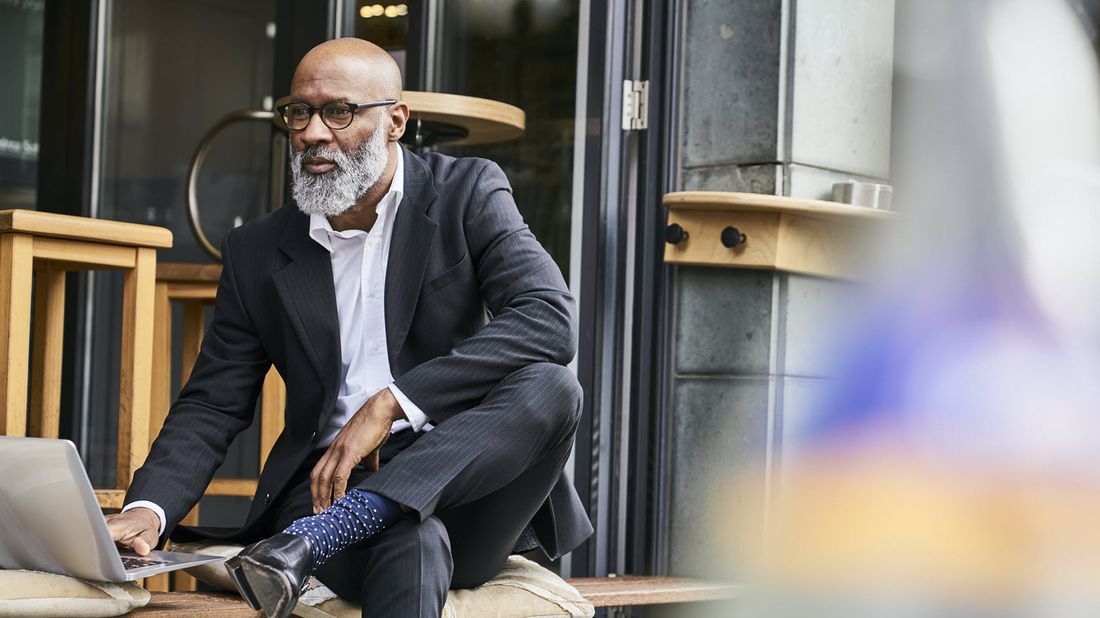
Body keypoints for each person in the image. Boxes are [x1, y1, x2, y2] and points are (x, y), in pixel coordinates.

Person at [105, 38, 592, 618]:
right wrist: (150, 508)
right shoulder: (257, 249)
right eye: (299, 112)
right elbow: (213, 402)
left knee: (553, 387)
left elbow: (548, 316)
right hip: (323, 488)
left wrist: (393, 403)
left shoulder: (467, 192)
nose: (312, 133)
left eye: (339, 112)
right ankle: (338, 525)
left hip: (466, 482)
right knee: (411, 536)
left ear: (396, 122)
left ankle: (333, 531)